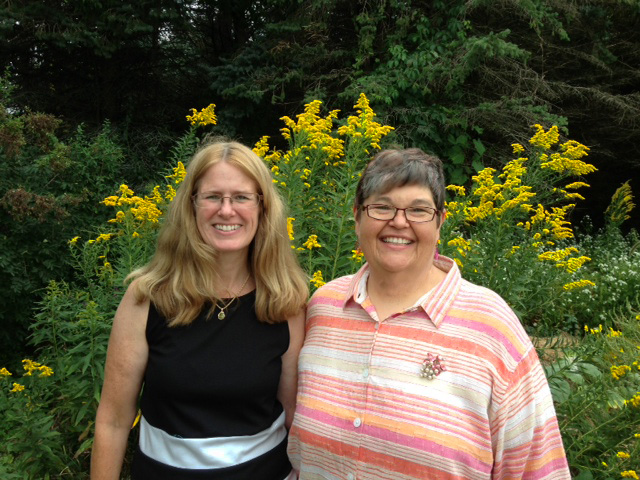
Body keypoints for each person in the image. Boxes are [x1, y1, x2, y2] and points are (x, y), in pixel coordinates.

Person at [287, 148, 571, 479]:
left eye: (419, 210)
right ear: (356, 216)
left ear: (440, 222)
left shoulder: (492, 327)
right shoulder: (324, 307)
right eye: (382, 206)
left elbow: (536, 468)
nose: (399, 221)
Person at [91, 140, 308, 480]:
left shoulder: (285, 302)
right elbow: (114, 420)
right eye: (212, 197)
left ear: (263, 208)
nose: (226, 210)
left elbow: (295, 415)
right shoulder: (147, 298)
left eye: (241, 197)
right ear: (190, 206)